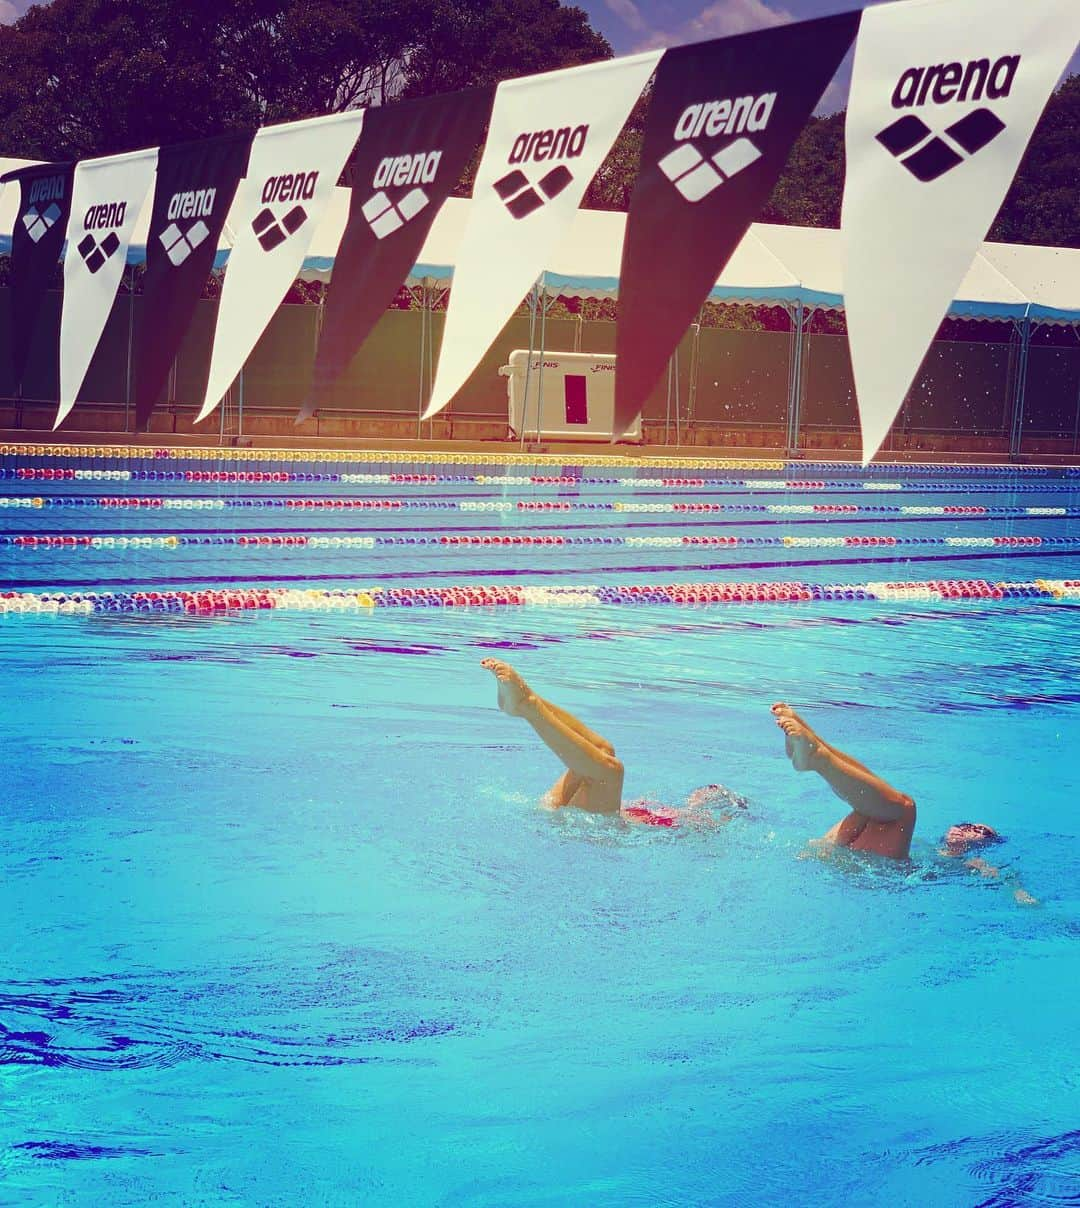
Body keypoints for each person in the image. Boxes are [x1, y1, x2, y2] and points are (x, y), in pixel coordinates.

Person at [481, 658, 739, 826]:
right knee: (605, 751)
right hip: (569, 813)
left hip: (587, 833)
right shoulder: (665, 810)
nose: (704, 794)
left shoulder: (696, 827)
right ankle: (524, 699)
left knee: (610, 772)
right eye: (708, 791)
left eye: (712, 798)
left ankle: (528, 707)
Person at [772, 702, 916, 860]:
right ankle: (816, 749)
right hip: (849, 861)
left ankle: (817, 754)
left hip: (859, 869)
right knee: (875, 805)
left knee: (901, 808)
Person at [939, 823, 1038, 905]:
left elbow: (1005, 877)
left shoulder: (976, 862)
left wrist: (1019, 892)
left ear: (987, 842)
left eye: (981, 830)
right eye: (966, 825)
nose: (969, 829)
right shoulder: (926, 845)